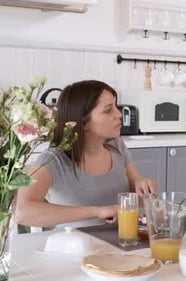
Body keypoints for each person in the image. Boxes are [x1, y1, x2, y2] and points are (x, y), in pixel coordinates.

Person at [16, 80, 157, 229]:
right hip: (75, 247)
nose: (119, 114)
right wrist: (97, 211)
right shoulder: (54, 160)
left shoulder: (116, 145)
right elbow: (23, 212)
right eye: (108, 110)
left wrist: (142, 185)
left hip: (121, 240)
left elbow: (135, 192)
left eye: (116, 107)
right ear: (83, 123)